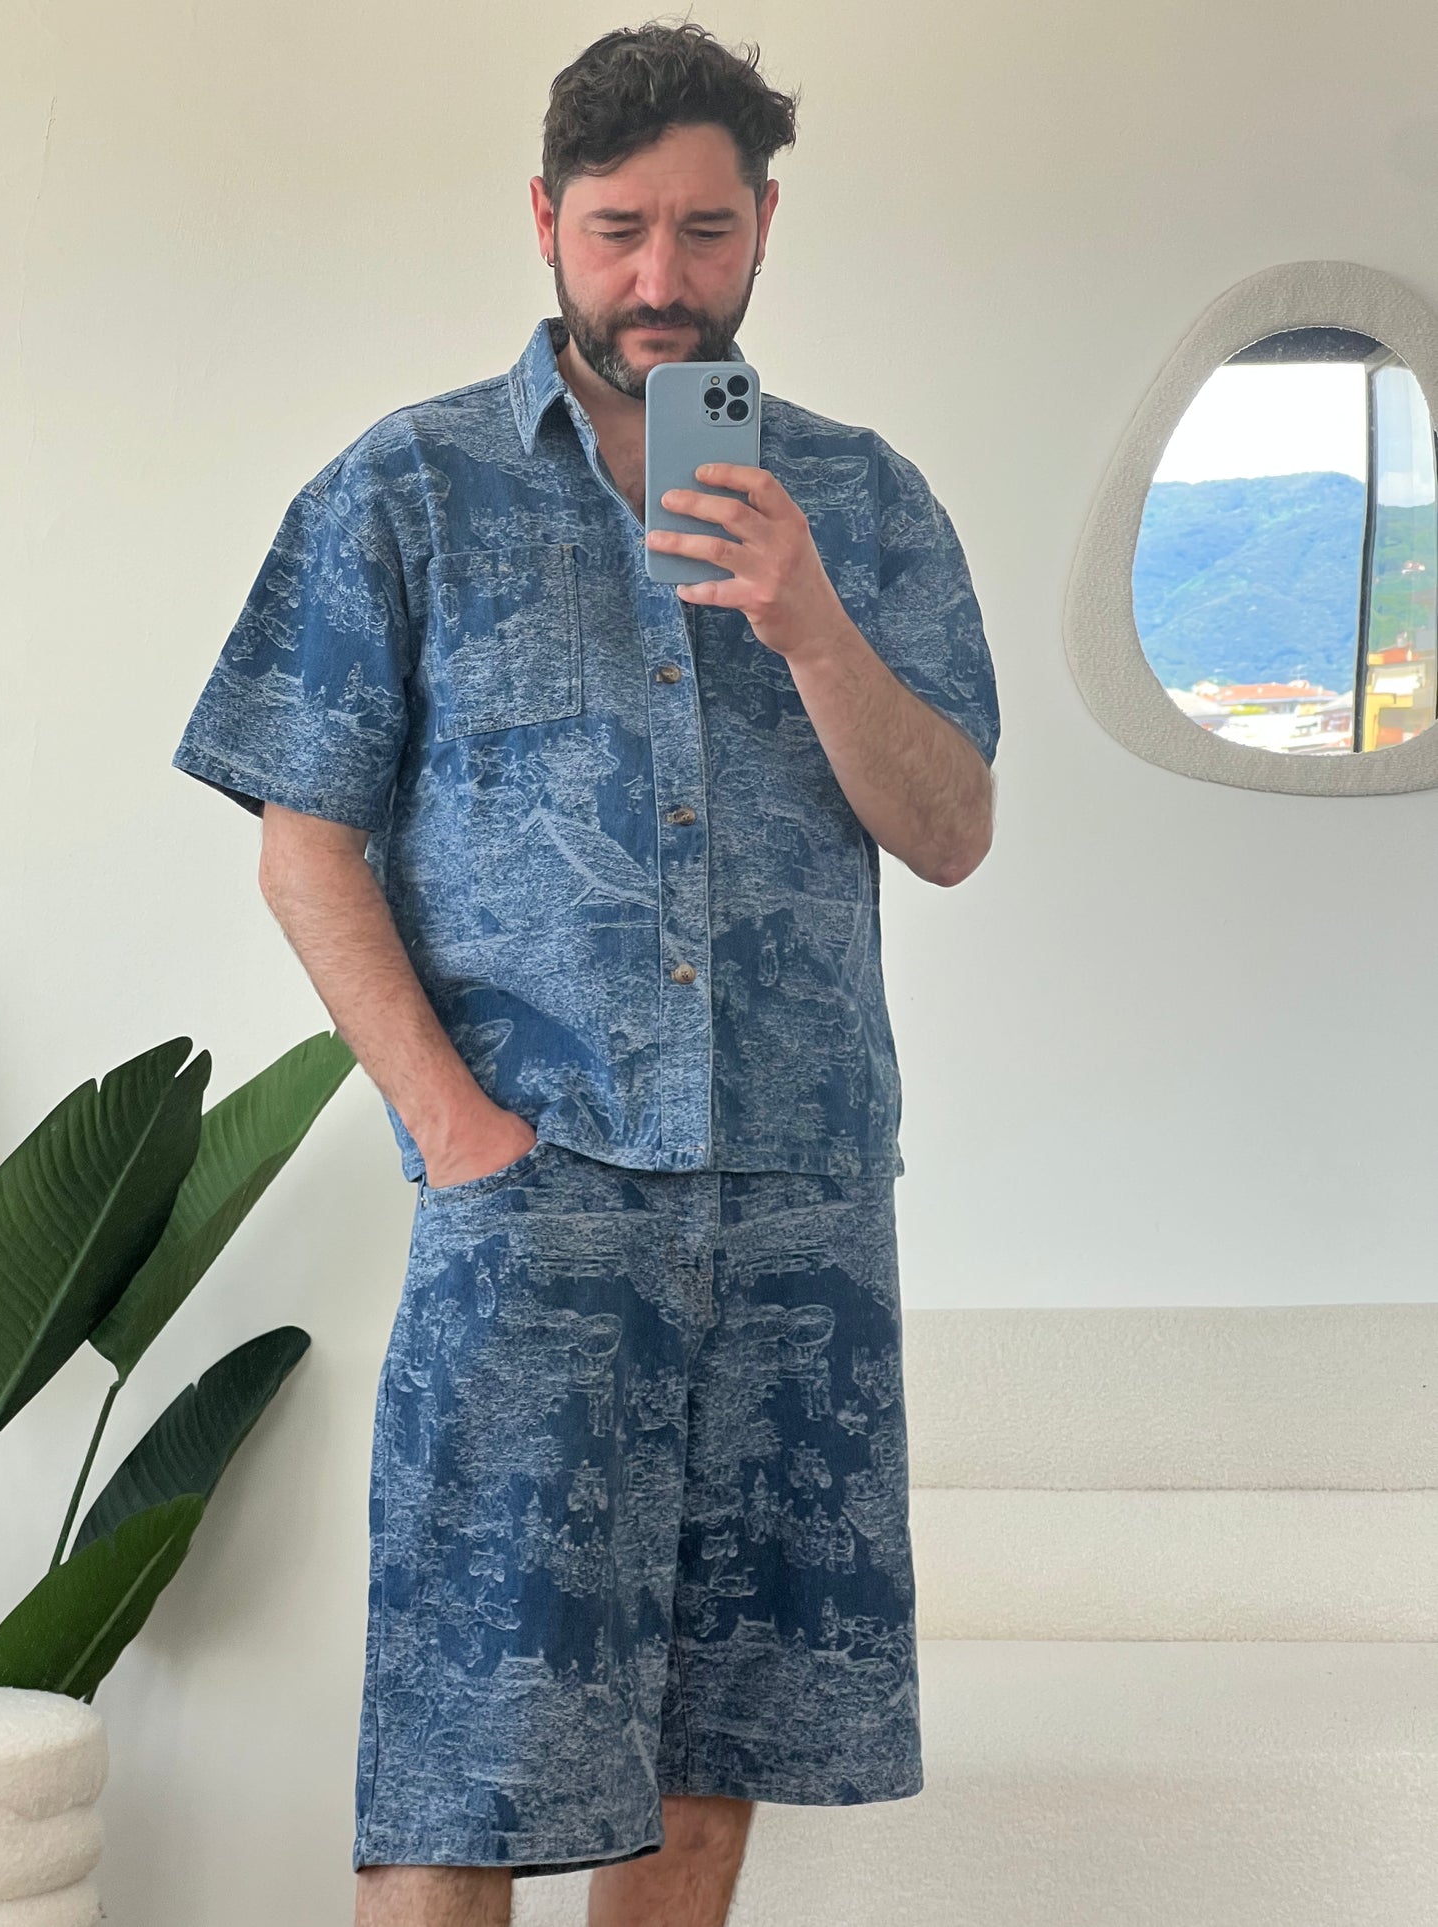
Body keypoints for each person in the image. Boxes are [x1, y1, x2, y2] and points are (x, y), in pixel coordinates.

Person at [170, 20, 999, 1927]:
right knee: (462, 1763)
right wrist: (456, 1132)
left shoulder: (863, 502)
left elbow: (951, 828)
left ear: (764, 224)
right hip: (532, 1208)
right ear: (544, 219)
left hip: (795, 1212)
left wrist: (809, 624)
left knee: (718, 1744)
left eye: (703, 231)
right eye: (618, 230)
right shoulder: (408, 488)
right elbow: (304, 842)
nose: (658, 280)